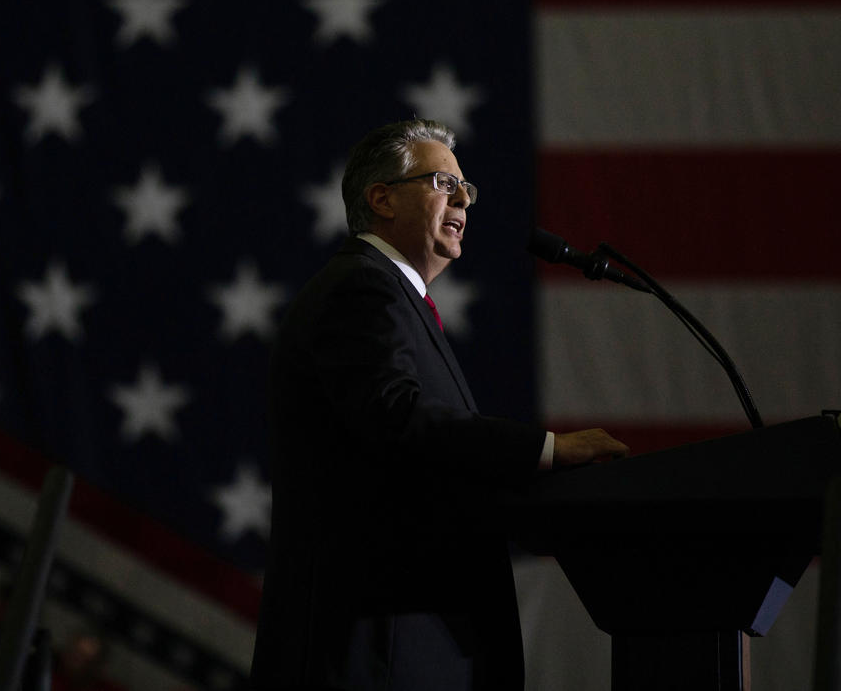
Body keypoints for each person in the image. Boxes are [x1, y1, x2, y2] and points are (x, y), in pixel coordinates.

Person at [249, 119, 628, 691]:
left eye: (466, 190)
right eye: (442, 184)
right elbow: (398, 419)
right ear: (381, 198)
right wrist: (547, 450)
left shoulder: (394, 297)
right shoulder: (363, 288)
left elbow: (432, 460)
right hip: (383, 649)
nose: (462, 202)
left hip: (416, 643)